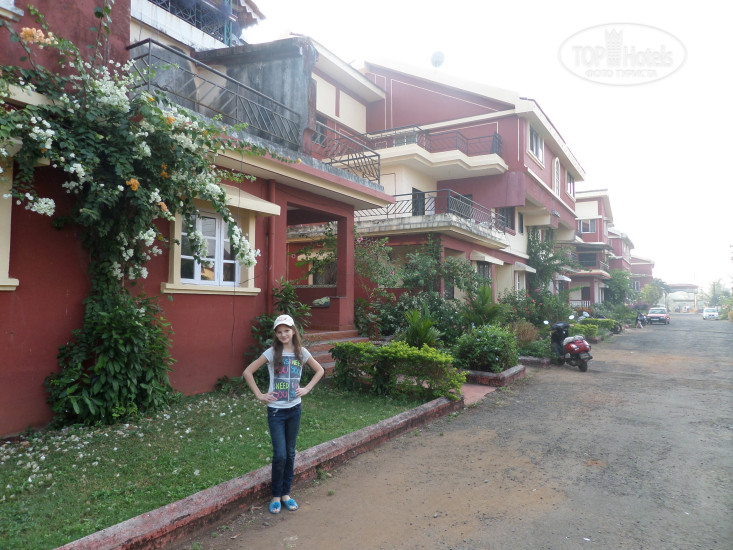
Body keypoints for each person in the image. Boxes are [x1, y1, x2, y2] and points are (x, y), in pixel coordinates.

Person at [243, 314, 324, 514]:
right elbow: (248, 372)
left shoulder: (301, 352)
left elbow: (320, 370)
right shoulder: (271, 352)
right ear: (276, 334)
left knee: (290, 452)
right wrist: (260, 395)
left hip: (295, 409)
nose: (283, 334)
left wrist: (307, 388)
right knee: (280, 454)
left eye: (286, 330)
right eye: (279, 332)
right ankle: (275, 495)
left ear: (293, 331)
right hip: (276, 411)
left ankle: (286, 493)